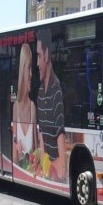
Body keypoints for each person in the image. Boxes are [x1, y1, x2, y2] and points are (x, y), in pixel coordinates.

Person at [35, 29, 68, 181]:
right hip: (48, 168)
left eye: (39, 56)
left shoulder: (56, 89)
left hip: (54, 169)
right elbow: (41, 131)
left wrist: (58, 164)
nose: (37, 63)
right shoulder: (41, 91)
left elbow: (59, 131)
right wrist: (43, 163)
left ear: (47, 55)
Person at [13, 43, 37, 167]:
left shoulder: (32, 106)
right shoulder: (15, 107)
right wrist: (15, 146)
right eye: (28, 68)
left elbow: (38, 150)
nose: (31, 74)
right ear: (22, 70)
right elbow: (14, 157)